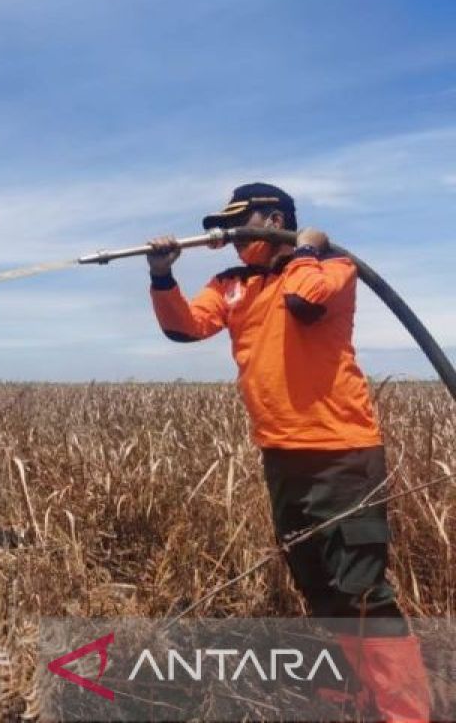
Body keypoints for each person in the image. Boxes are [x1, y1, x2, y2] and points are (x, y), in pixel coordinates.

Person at [146, 182, 430, 722]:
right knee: (318, 583)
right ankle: (359, 688)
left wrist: (305, 248)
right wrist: (162, 274)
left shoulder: (332, 267)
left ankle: (406, 712)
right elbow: (185, 329)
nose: (232, 241)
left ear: (272, 219)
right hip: (281, 456)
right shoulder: (229, 284)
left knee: (362, 591)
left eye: (240, 225)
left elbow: (303, 305)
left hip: (342, 455)